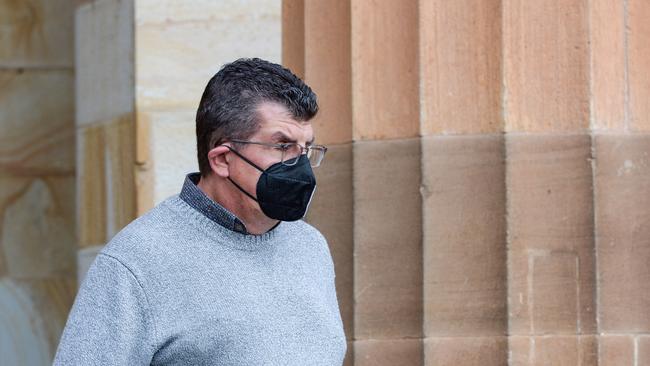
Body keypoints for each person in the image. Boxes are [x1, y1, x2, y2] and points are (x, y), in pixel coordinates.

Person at [53, 58, 347, 365]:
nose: (299, 164)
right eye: (282, 145)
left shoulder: (310, 246)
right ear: (222, 159)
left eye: (306, 148)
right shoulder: (136, 262)